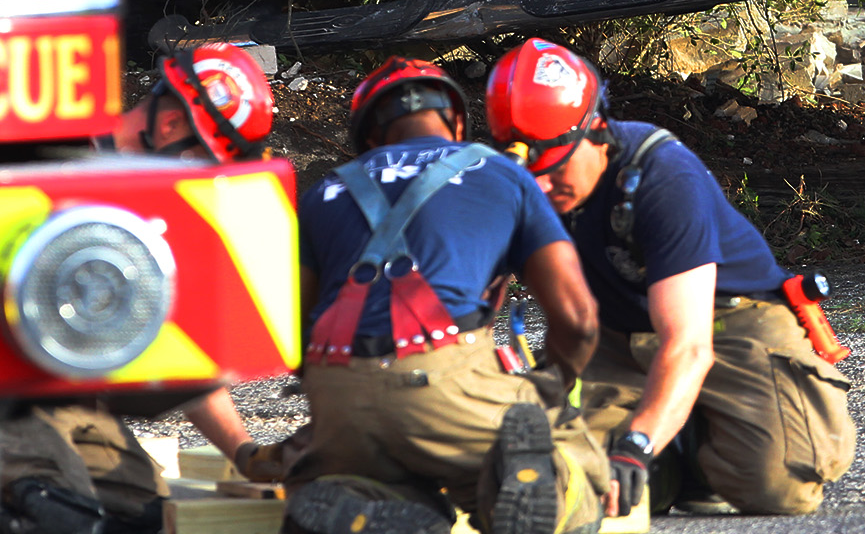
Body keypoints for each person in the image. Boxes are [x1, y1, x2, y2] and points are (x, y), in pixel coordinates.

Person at [484, 38, 855, 518]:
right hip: (617, 337)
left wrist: (637, 442)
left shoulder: (661, 175)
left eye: (554, 170)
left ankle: (696, 433)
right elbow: (470, 302)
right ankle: (671, 462)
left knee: (778, 485)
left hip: (731, 322)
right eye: (527, 173)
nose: (540, 188)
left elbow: (687, 344)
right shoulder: (517, 186)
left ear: (595, 130)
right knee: (584, 482)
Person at [283, 57, 609, 534]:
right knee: (569, 464)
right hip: (441, 381)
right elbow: (579, 319)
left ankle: (360, 502)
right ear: (457, 121)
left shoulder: (324, 191)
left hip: (339, 395)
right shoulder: (502, 174)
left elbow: (294, 334)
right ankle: (528, 490)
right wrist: (547, 388)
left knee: (358, 478)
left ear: (370, 137)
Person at [2, 46, 283, 534]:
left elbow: (178, 348)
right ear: (172, 126)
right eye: (204, 156)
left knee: (147, 512)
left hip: (60, 401)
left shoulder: (151, 212)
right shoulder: (37, 156)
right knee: (50, 507)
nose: (202, 176)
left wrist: (245, 452)